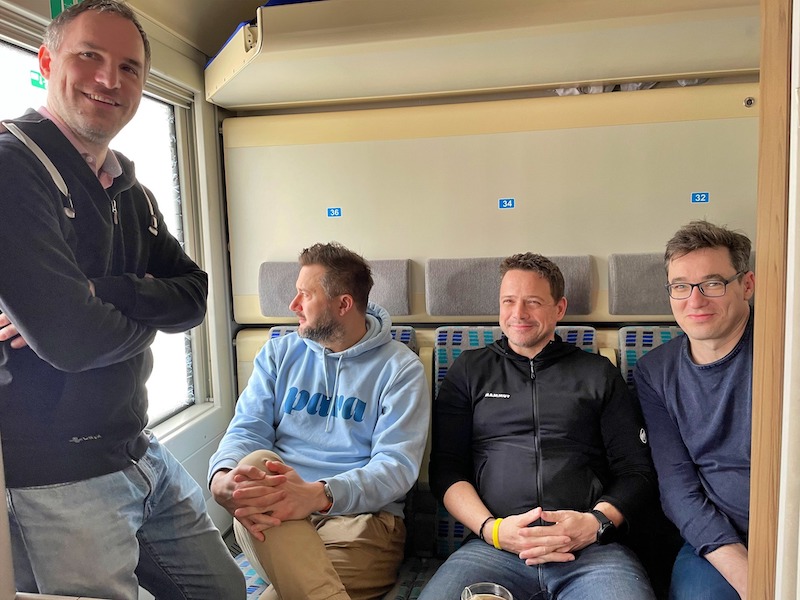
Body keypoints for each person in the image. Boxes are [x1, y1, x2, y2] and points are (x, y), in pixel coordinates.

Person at [0, 1, 244, 598]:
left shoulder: (128, 187)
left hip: (137, 446)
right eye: (90, 56)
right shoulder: (12, 168)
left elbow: (195, 296)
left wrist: (101, 293)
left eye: (129, 67)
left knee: (224, 590)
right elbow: (74, 340)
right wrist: (141, 314)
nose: (110, 79)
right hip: (55, 473)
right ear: (46, 61)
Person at [419, 253, 657, 600]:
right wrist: (493, 530)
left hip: (591, 552)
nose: (518, 313)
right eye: (508, 301)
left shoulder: (597, 373)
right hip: (493, 549)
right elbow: (447, 469)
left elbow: (636, 471)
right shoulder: (470, 370)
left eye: (532, 302)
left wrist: (594, 524)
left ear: (559, 308)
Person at [209, 242, 431, 600]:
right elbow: (247, 429)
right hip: (278, 515)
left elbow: (396, 468)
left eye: (305, 295)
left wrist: (319, 495)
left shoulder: (400, 369)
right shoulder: (278, 354)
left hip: (361, 522)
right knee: (253, 464)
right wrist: (221, 475)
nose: (293, 305)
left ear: (343, 304)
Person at [634, 220, 754, 600]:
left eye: (713, 283)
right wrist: (746, 574)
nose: (695, 301)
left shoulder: (784, 350)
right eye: (681, 286)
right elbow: (677, 487)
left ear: (747, 285)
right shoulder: (654, 372)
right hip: (714, 539)